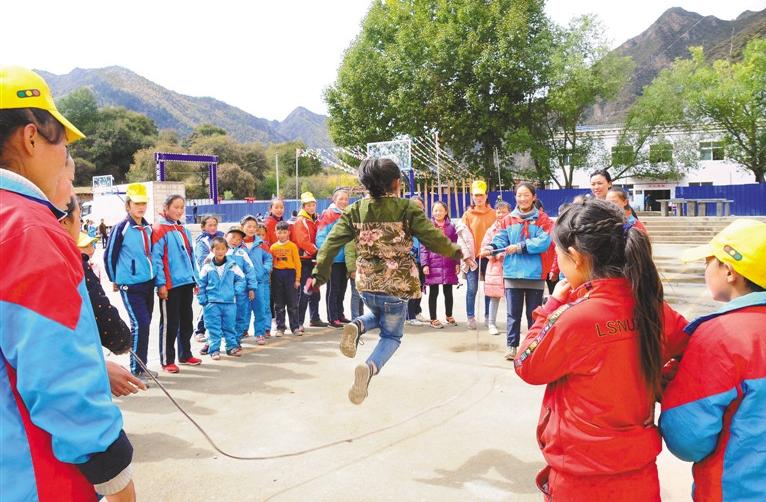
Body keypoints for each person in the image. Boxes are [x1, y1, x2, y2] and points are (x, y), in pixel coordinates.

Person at [0, 65, 135, 500]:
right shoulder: (26, 228)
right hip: (34, 475)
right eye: (63, 142)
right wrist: (115, 477)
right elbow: (59, 379)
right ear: (32, 136)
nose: (65, 158)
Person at [513, 198, 689, 501]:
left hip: (582, 477)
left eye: (559, 256)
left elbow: (527, 365)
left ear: (576, 257)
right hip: (639, 471)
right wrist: (658, 381)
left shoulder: (575, 317)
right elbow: (690, 349)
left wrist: (552, 305)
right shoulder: (653, 307)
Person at [310, 158, 462, 405]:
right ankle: (369, 368)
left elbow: (330, 245)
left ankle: (357, 326)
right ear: (396, 183)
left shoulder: (354, 210)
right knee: (391, 335)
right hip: (396, 284)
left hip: (366, 282)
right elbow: (434, 239)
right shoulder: (407, 208)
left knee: (378, 314)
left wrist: (319, 274)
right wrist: (455, 251)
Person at [660, 219, 766, 501]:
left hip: (735, 490)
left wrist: (669, 389)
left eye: (709, 261)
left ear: (729, 271)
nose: (706, 269)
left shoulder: (720, 336)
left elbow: (688, 439)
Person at [61, 194, 146, 396]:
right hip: (71, 374)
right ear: (65, 221)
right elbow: (100, 309)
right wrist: (119, 342)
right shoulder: (70, 261)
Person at [482, 183, 553, 360]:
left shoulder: (544, 219)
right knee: (513, 315)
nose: (523, 198)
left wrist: (520, 247)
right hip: (512, 273)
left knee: (534, 314)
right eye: (519, 195)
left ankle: (532, 347)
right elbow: (501, 238)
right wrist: (491, 247)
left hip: (535, 274)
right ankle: (511, 346)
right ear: (515, 198)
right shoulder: (507, 219)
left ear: (534, 197)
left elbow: (545, 242)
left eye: (526, 195)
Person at [105, 183, 158, 380]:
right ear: (128, 205)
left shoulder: (147, 227)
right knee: (140, 324)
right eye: (137, 203)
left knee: (145, 324)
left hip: (148, 283)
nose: (141, 207)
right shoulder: (122, 227)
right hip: (130, 284)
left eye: (143, 203)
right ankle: (136, 370)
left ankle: (141, 366)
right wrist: (114, 279)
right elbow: (109, 255)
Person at [152, 194, 201, 373]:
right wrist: (161, 284)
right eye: (176, 207)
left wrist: (195, 279)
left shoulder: (183, 229)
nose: (179, 211)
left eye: (182, 207)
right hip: (170, 285)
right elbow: (157, 259)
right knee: (170, 323)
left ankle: (185, 354)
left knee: (186, 321)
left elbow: (191, 257)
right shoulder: (159, 229)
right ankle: (167, 360)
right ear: (166, 208)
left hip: (186, 282)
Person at [198, 237, 247, 359]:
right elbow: (201, 285)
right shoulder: (207, 267)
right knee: (213, 327)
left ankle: (231, 347)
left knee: (229, 326)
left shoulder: (233, 266)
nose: (220, 251)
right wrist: (203, 299)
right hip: (212, 303)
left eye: (223, 249)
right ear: (212, 250)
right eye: (217, 249)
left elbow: (241, 279)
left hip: (229, 302)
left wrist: (235, 291)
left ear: (227, 250)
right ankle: (214, 350)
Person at [316, 187, 352, 328]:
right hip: (333, 259)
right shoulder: (329, 215)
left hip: (345, 260)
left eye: (346, 199)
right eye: (341, 199)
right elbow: (320, 237)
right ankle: (332, 317)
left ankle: (340, 314)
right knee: (333, 289)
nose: (344, 201)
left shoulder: (347, 214)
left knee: (342, 288)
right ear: (334, 199)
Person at [420, 201, 460, 328]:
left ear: (446, 212)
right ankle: (433, 319)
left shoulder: (451, 227)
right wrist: (425, 264)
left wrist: (457, 263)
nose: (438, 213)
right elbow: (423, 247)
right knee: (434, 292)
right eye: (435, 210)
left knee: (448, 292)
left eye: (440, 210)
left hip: (448, 263)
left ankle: (449, 315)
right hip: (433, 264)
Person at [462, 180, 495, 329]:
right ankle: (470, 317)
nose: (479, 198)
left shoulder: (493, 214)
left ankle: (489, 316)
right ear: (472, 197)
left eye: (481, 195)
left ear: (486, 195)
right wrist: (465, 256)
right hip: (472, 257)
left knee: (489, 287)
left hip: (489, 256)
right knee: (471, 288)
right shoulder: (467, 215)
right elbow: (461, 237)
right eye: (476, 195)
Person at [294, 191, 326, 328]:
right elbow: (303, 241)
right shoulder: (301, 221)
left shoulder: (315, 219)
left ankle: (314, 317)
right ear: (303, 206)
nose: (311, 207)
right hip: (305, 259)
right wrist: (317, 251)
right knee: (305, 291)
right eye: (308, 205)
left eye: (313, 204)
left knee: (315, 290)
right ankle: (299, 321)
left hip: (314, 258)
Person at [480, 200, 511, 336]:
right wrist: (494, 255)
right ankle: (491, 323)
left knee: (512, 297)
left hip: (511, 266)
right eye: (498, 212)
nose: (501, 214)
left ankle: (511, 324)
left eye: (504, 212)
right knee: (494, 296)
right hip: (495, 268)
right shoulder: (491, 230)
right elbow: (484, 247)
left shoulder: (514, 227)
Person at [222, 226, 257, 342]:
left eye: (238, 239)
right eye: (233, 237)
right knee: (222, 315)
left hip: (240, 291)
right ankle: (215, 341)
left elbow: (250, 271)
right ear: (226, 236)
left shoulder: (242, 253)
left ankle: (236, 340)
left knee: (240, 314)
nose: (235, 241)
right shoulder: (219, 251)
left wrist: (251, 288)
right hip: (223, 291)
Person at [242, 216, 273, 342]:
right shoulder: (238, 244)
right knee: (243, 308)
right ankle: (242, 330)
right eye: (249, 226)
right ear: (242, 227)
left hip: (259, 282)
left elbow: (269, 258)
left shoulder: (261, 244)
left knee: (260, 308)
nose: (251, 229)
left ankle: (260, 333)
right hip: (242, 283)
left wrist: (264, 270)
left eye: (254, 227)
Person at [192, 215, 223, 342]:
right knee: (209, 305)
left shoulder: (222, 237)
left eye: (215, 225)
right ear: (203, 227)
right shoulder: (202, 242)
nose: (213, 227)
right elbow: (201, 261)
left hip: (222, 277)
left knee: (221, 304)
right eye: (209, 225)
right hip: (208, 278)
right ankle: (199, 330)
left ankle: (218, 331)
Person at [270, 221, 302, 336]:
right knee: (279, 304)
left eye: (284, 232)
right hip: (277, 275)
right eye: (279, 232)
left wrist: (297, 279)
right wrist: (270, 278)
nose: (282, 235)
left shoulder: (292, 246)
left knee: (292, 303)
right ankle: (280, 327)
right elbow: (271, 264)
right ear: (276, 233)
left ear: (288, 233)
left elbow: (298, 263)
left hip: (290, 274)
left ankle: (295, 327)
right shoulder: (273, 247)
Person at [405, 195, 429, 326]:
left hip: (422, 260)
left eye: (420, 206)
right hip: (410, 259)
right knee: (411, 287)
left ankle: (417, 311)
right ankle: (409, 316)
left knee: (420, 287)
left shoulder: (424, 221)